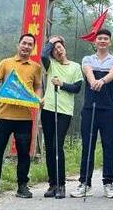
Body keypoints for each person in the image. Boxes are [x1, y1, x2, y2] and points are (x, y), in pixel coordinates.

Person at [0, 33, 43, 199]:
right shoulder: (6, 63)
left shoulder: (35, 67)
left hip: (25, 117)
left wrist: (38, 98)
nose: (26, 47)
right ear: (18, 45)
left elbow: (37, 87)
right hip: (4, 115)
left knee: (24, 153)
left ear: (33, 48)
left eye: (30, 44)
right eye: (24, 43)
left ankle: (22, 186)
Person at [72, 28, 113, 199]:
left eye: (105, 39)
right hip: (89, 108)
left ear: (109, 42)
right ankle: (85, 183)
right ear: (95, 41)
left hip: (108, 110)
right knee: (88, 146)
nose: (102, 41)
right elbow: (87, 71)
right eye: (99, 38)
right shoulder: (88, 59)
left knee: (108, 146)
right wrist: (93, 80)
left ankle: (108, 182)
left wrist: (102, 80)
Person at [40, 35, 83, 199]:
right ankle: (52, 184)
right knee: (49, 147)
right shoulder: (51, 65)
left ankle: (61, 185)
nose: (58, 50)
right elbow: (43, 55)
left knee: (57, 145)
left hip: (64, 111)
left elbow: (77, 88)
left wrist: (62, 84)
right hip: (49, 109)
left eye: (60, 47)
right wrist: (51, 41)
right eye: (55, 48)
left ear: (64, 48)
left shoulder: (75, 67)